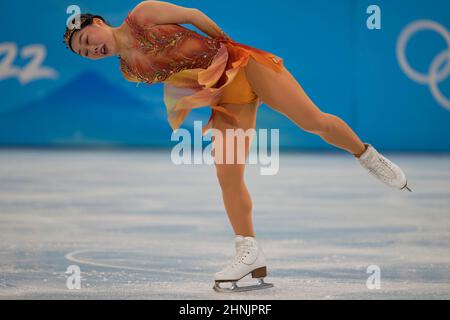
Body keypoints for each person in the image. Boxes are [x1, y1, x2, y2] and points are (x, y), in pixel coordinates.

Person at [63, 0, 412, 292]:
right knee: (227, 176)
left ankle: (366, 155)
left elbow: (193, 16)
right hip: (227, 95)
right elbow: (182, 74)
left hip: (244, 65)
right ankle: (249, 251)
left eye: (88, 39)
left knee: (313, 121)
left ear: (97, 22)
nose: (92, 49)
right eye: (85, 53)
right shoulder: (129, 70)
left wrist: (226, 45)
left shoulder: (141, 14)